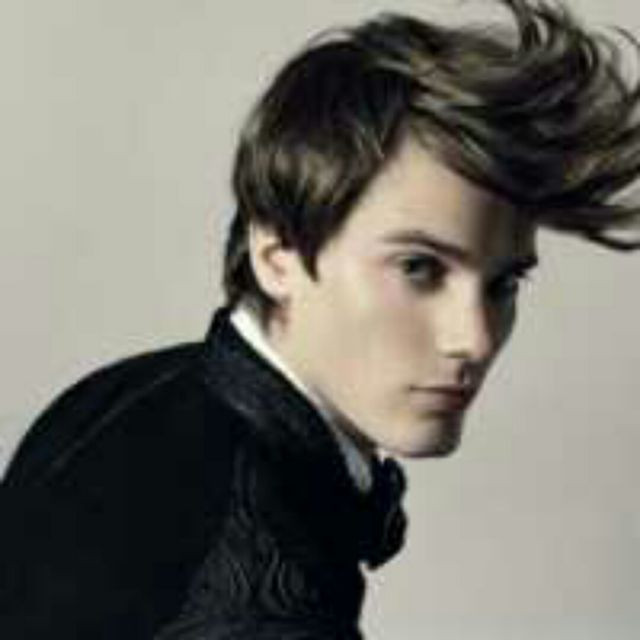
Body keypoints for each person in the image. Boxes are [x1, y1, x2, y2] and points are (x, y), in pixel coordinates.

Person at [2, 0, 640, 637]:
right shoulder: (265, 599)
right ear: (277, 255)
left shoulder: (113, 398)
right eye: (419, 268)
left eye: (503, 285)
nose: (473, 339)